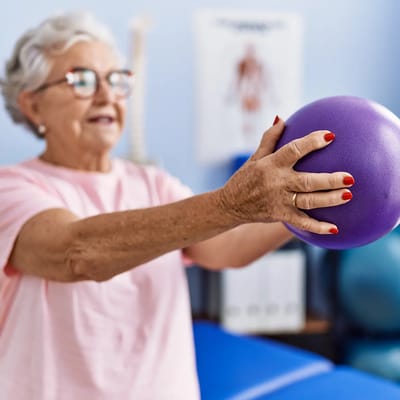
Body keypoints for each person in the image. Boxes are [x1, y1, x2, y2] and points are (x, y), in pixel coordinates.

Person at [0, 11, 354, 400]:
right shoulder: (12, 189)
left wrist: (310, 198)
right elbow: (77, 252)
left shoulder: (152, 183)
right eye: (81, 80)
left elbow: (225, 248)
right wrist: (232, 203)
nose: (106, 95)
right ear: (32, 105)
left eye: (116, 79)